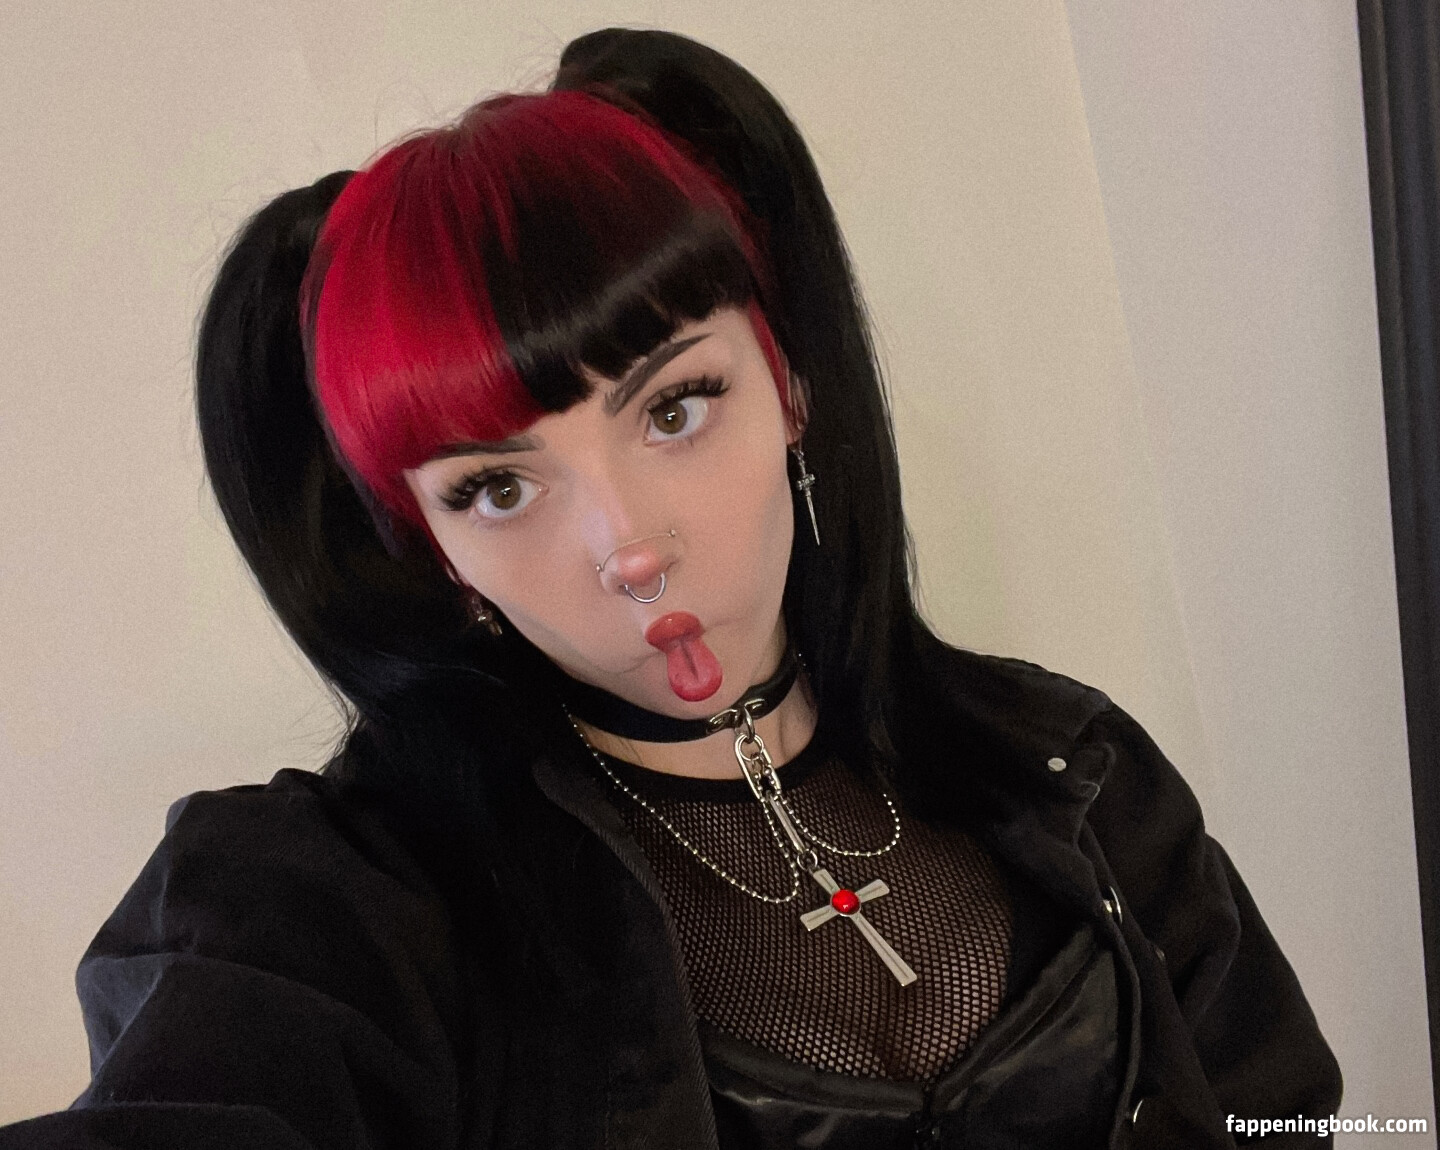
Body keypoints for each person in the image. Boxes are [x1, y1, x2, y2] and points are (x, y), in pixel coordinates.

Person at [0, 27, 1340, 1150]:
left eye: (676, 406)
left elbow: (1295, 1119)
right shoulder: (341, 904)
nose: (628, 543)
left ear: (790, 385)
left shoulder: (1073, 769)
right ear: (431, 551)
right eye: (497, 487)